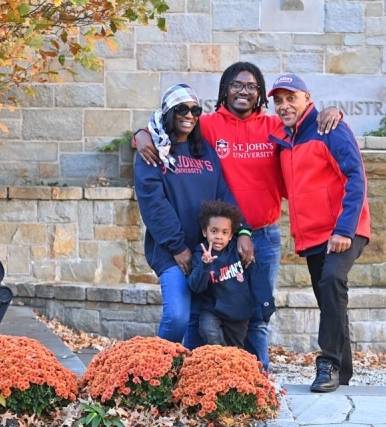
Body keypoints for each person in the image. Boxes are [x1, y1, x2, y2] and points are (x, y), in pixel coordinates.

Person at [135, 62, 342, 371]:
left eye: (251, 86)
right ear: (225, 89)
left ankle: (257, 379)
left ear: (259, 93)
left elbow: (306, 123)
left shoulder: (274, 126)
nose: (243, 91)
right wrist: (140, 135)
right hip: (214, 241)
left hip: (261, 236)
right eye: (236, 85)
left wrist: (334, 111)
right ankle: (196, 376)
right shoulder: (209, 126)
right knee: (202, 312)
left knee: (256, 315)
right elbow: (168, 125)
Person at [268, 73, 371, 393]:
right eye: (279, 101)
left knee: (331, 282)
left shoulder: (331, 128)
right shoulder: (285, 139)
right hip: (312, 235)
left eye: (291, 98)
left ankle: (327, 363)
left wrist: (344, 229)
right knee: (328, 298)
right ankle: (343, 372)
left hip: (344, 229)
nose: (284, 106)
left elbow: (356, 178)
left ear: (307, 97)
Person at [133, 83, 252, 350]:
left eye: (195, 110)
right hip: (172, 251)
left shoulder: (206, 151)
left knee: (199, 321)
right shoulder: (154, 152)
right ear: (168, 113)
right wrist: (177, 246)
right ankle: (159, 370)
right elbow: (153, 204)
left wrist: (242, 230)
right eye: (181, 110)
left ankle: (191, 382)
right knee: (177, 317)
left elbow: (224, 195)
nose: (189, 115)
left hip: (208, 252)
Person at [187, 201, 275, 349]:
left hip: (238, 311)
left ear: (231, 235)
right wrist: (205, 265)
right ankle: (223, 359)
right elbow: (196, 286)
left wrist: (266, 305)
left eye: (224, 232)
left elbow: (257, 278)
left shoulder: (238, 251)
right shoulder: (200, 254)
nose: (219, 237)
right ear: (204, 232)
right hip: (212, 309)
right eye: (214, 231)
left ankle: (233, 364)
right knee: (209, 332)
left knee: (236, 348)